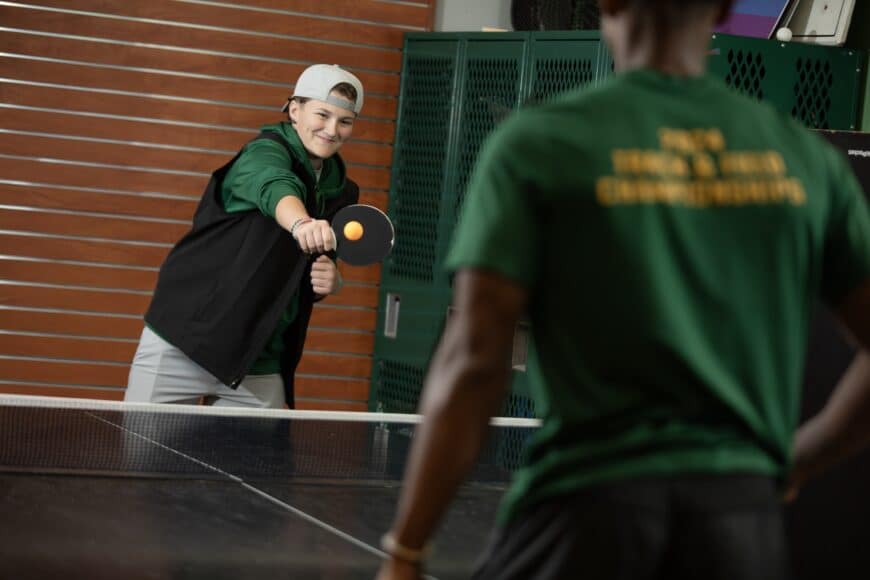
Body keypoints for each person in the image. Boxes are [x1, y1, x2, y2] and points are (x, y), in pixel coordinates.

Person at [376, 0, 870, 578]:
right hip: (740, 528)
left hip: (586, 514)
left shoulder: (539, 143)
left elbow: (474, 363)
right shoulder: (806, 159)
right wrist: (801, 460)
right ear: (726, 8)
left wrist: (407, 551)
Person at [125, 64, 364, 409]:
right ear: (295, 110)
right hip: (184, 342)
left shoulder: (342, 193)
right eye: (322, 114)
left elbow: (307, 271)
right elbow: (273, 185)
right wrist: (300, 224)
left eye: (345, 121)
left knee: (251, 464)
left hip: (258, 357)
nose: (332, 129)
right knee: (139, 462)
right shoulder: (262, 154)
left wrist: (331, 281)